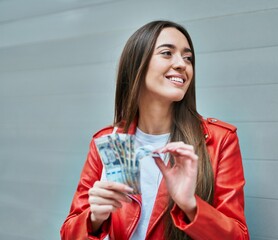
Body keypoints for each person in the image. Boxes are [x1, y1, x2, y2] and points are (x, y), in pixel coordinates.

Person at [60, 20, 249, 240]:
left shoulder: (218, 141)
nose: (182, 64)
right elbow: (68, 234)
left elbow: (239, 236)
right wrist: (94, 219)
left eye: (188, 58)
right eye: (167, 53)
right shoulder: (114, 142)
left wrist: (190, 205)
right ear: (136, 65)